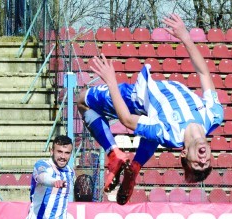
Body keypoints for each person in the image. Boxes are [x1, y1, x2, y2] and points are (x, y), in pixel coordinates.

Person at [76, 14, 223, 205]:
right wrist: (186, 37)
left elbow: (127, 120)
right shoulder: (214, 115)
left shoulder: (168, 132)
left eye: (197, 164)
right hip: (151, 113)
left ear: (184, 154)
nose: (203, 161)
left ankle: (113, 153)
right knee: (151, 133)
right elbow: (203, 72)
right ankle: (135, 166)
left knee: (82, 100)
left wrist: (111, 82)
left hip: (135, 98)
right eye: (207, 163)